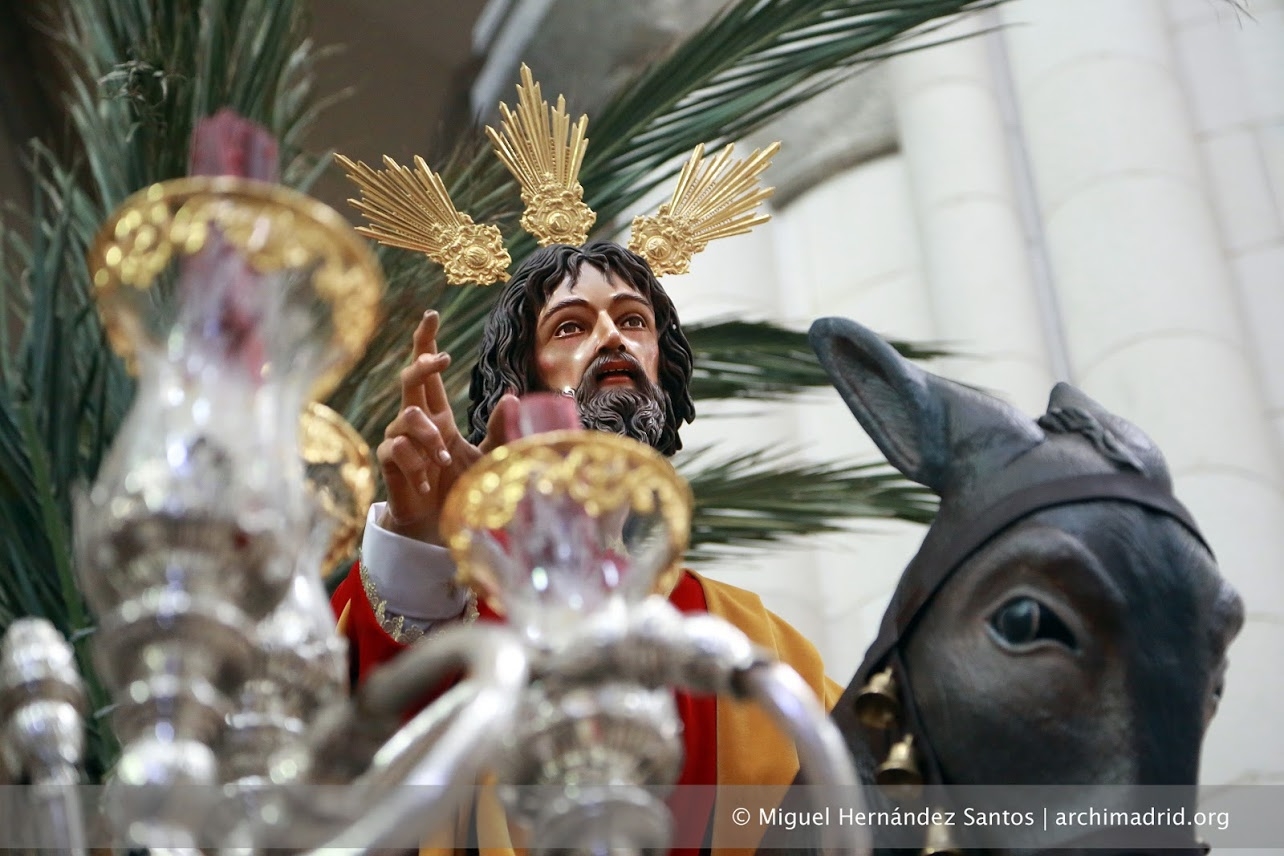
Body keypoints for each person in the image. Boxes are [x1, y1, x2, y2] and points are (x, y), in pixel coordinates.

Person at [329, 241, 842, 854]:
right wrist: (424, 545)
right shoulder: (457, 609)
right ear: (520, 379)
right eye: (570, 326)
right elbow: (363, 760)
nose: (610, 337)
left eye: (632, 321)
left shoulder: (752, 639)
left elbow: (877, 793)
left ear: (661, 363)